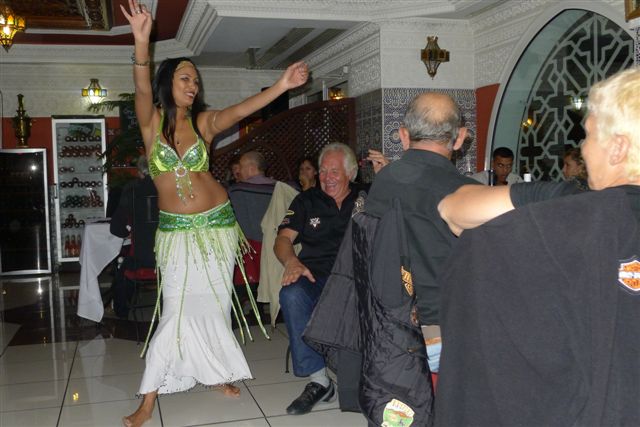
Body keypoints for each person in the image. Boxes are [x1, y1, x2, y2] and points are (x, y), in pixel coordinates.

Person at [120, 1, 309, 426]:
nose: (193, 85)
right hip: (177, 233)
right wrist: (141, 39)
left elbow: (243, 109)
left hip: (219, 228)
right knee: (175, 311)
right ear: (169, 83)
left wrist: (282, 85)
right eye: (185, 78)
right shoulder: (151, 124)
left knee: (216, 306)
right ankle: (148, 400)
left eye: (196, 80)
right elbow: (141, 86)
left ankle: (217, 373)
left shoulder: (203, 124)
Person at [435, 67, 640, 426]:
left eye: (589, 136)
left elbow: (453, 210)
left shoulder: (571, 209)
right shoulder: (573, 200)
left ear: (618, 148)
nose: (583, 149)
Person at [365, 92, 478, 381]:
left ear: (404, 136)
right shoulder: (468, 194)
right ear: (460, 138)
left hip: (387, 325)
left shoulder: (382, 181)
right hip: (444, 330)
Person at [274, 142, 360, 415]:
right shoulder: (306, 200)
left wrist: (388, 177)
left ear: (351, 173)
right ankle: (320, 381)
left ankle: (371, 375)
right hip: (317, 275)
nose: (326, 177)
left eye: (334, 171)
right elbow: (282, 240)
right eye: (323, 171)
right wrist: (292, 261)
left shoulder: (367, 196)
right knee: (292, 293)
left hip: (358, 277)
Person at [109, 155, 157, 318]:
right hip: (169, 260)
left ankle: (121, 313)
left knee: (122, 270)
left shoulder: (132, 190)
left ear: (139, 172)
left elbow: (116, 229)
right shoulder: (170, 189)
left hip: (141, 259)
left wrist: (129, 231)